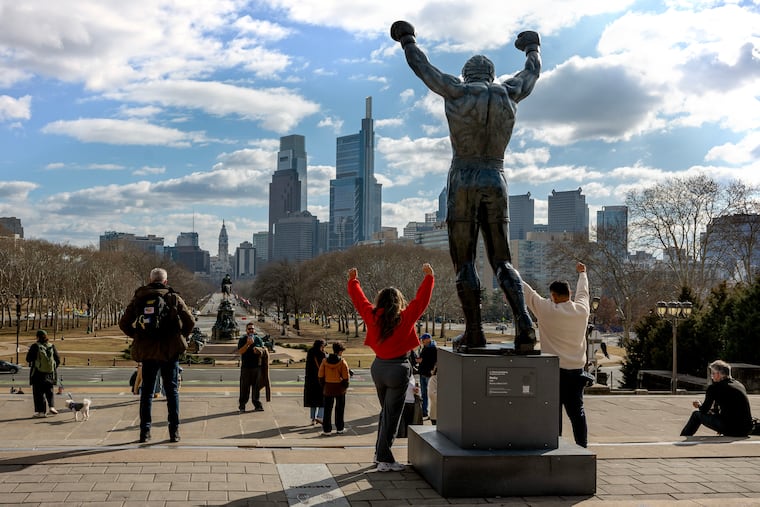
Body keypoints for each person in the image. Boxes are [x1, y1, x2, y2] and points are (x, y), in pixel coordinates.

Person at [391, 20, 541, 353]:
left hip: (463, 177)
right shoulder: (509, 92)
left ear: (466, 74)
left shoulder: (456, 90)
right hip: (496, 177)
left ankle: (474, 332)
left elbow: (422, 66)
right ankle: (525, 327)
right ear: (490, 75)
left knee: (465, 263)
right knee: (502, 261)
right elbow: (532, 73)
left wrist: (407, 38)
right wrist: (532, 47)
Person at [348, 262, 435, 472]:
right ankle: (384, 459)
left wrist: (353, 281)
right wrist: (429, 278)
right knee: (392, 416)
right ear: (398, 302)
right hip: (398, 369)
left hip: (378, 368)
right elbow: (421, 301)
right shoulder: (404, 318)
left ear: (380, 301)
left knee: (385, 413)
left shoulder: (372, 315)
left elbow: (360, 301)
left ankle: (380, 455)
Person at [119, 267, 195, 443]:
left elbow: (123, 323)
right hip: (170, 352)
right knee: (172, 392)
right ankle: (173, 432)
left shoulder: (139, 297)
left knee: (146, 393)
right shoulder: (173, 297)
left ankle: (144, 432)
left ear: (150, 280)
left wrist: (138, 336)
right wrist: (180, 336)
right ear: (165, 281)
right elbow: (190, 321)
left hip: (148, 352)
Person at [522, 262, 590, 447]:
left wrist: (511, 271)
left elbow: (528, 293)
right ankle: (582, 446)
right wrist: (582, 274)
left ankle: (555, 445)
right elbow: (583, 293)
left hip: (553, 370)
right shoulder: (582, 311)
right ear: (569, 294)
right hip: (576, 371)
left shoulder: (546, 310)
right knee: (577, 412)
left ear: (553, 295)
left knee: (554, 411)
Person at [680, 360, 753, 437]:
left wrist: (699, 405)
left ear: (718, 374)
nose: (712, 376)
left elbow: (704, 410)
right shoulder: (739, 385)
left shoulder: (714, 388)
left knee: (696, 415)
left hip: (731, 429)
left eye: (712, 374)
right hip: (746, 429)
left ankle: (684, 436)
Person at [318, 341, 350, 436]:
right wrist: (345, 386)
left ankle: (326, 429)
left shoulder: (324, 361)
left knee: (327, 409)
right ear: (340, 351)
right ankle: (339, 428)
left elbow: (320, 375)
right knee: (340, 409)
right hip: (339, 388)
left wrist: (324, 385)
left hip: (328, 387)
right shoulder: (342, 362)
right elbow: (345, 377)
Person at [26, 330, 60, 417]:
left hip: (37, 373)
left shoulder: (35, 346)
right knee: (49, 390)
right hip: (50, 373)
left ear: (37, 337)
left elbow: (28, 359)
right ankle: (52, 407)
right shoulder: (52, 346)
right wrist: (52, 368)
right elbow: (58, 360)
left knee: (38, 393)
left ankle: (41, 412)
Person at [236, 323, 267, 413]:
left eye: (252, 329)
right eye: (249, 329)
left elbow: (263, 350)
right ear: (246, 330)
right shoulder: (242, 339)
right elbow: (240, 351)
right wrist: (248, 344)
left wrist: (258, 350)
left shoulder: (258, 339)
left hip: (256, 367)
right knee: (244, 388)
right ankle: (242, 406)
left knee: (256, 388)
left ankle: (257, 404)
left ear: (254, 330)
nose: (251, 330)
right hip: (246, 367)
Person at [304, 339, 326, 425]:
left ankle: (313, 418)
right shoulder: (322, 354)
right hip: (320, 380)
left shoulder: (310, 353)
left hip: (310, 380)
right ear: (321, 346)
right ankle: (320, 417)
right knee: (322, 400)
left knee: (313, 401)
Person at [415, 333, 437, 418]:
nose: (422, 341)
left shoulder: (433, 349)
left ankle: (432, 413)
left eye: (423, 339)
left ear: (428, 339)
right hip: (423, 373)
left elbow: (435, 362)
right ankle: (424, 411)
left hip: (429, 375)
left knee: (430, 394)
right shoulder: (425, 348)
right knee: (424, 393)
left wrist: (420, 361)